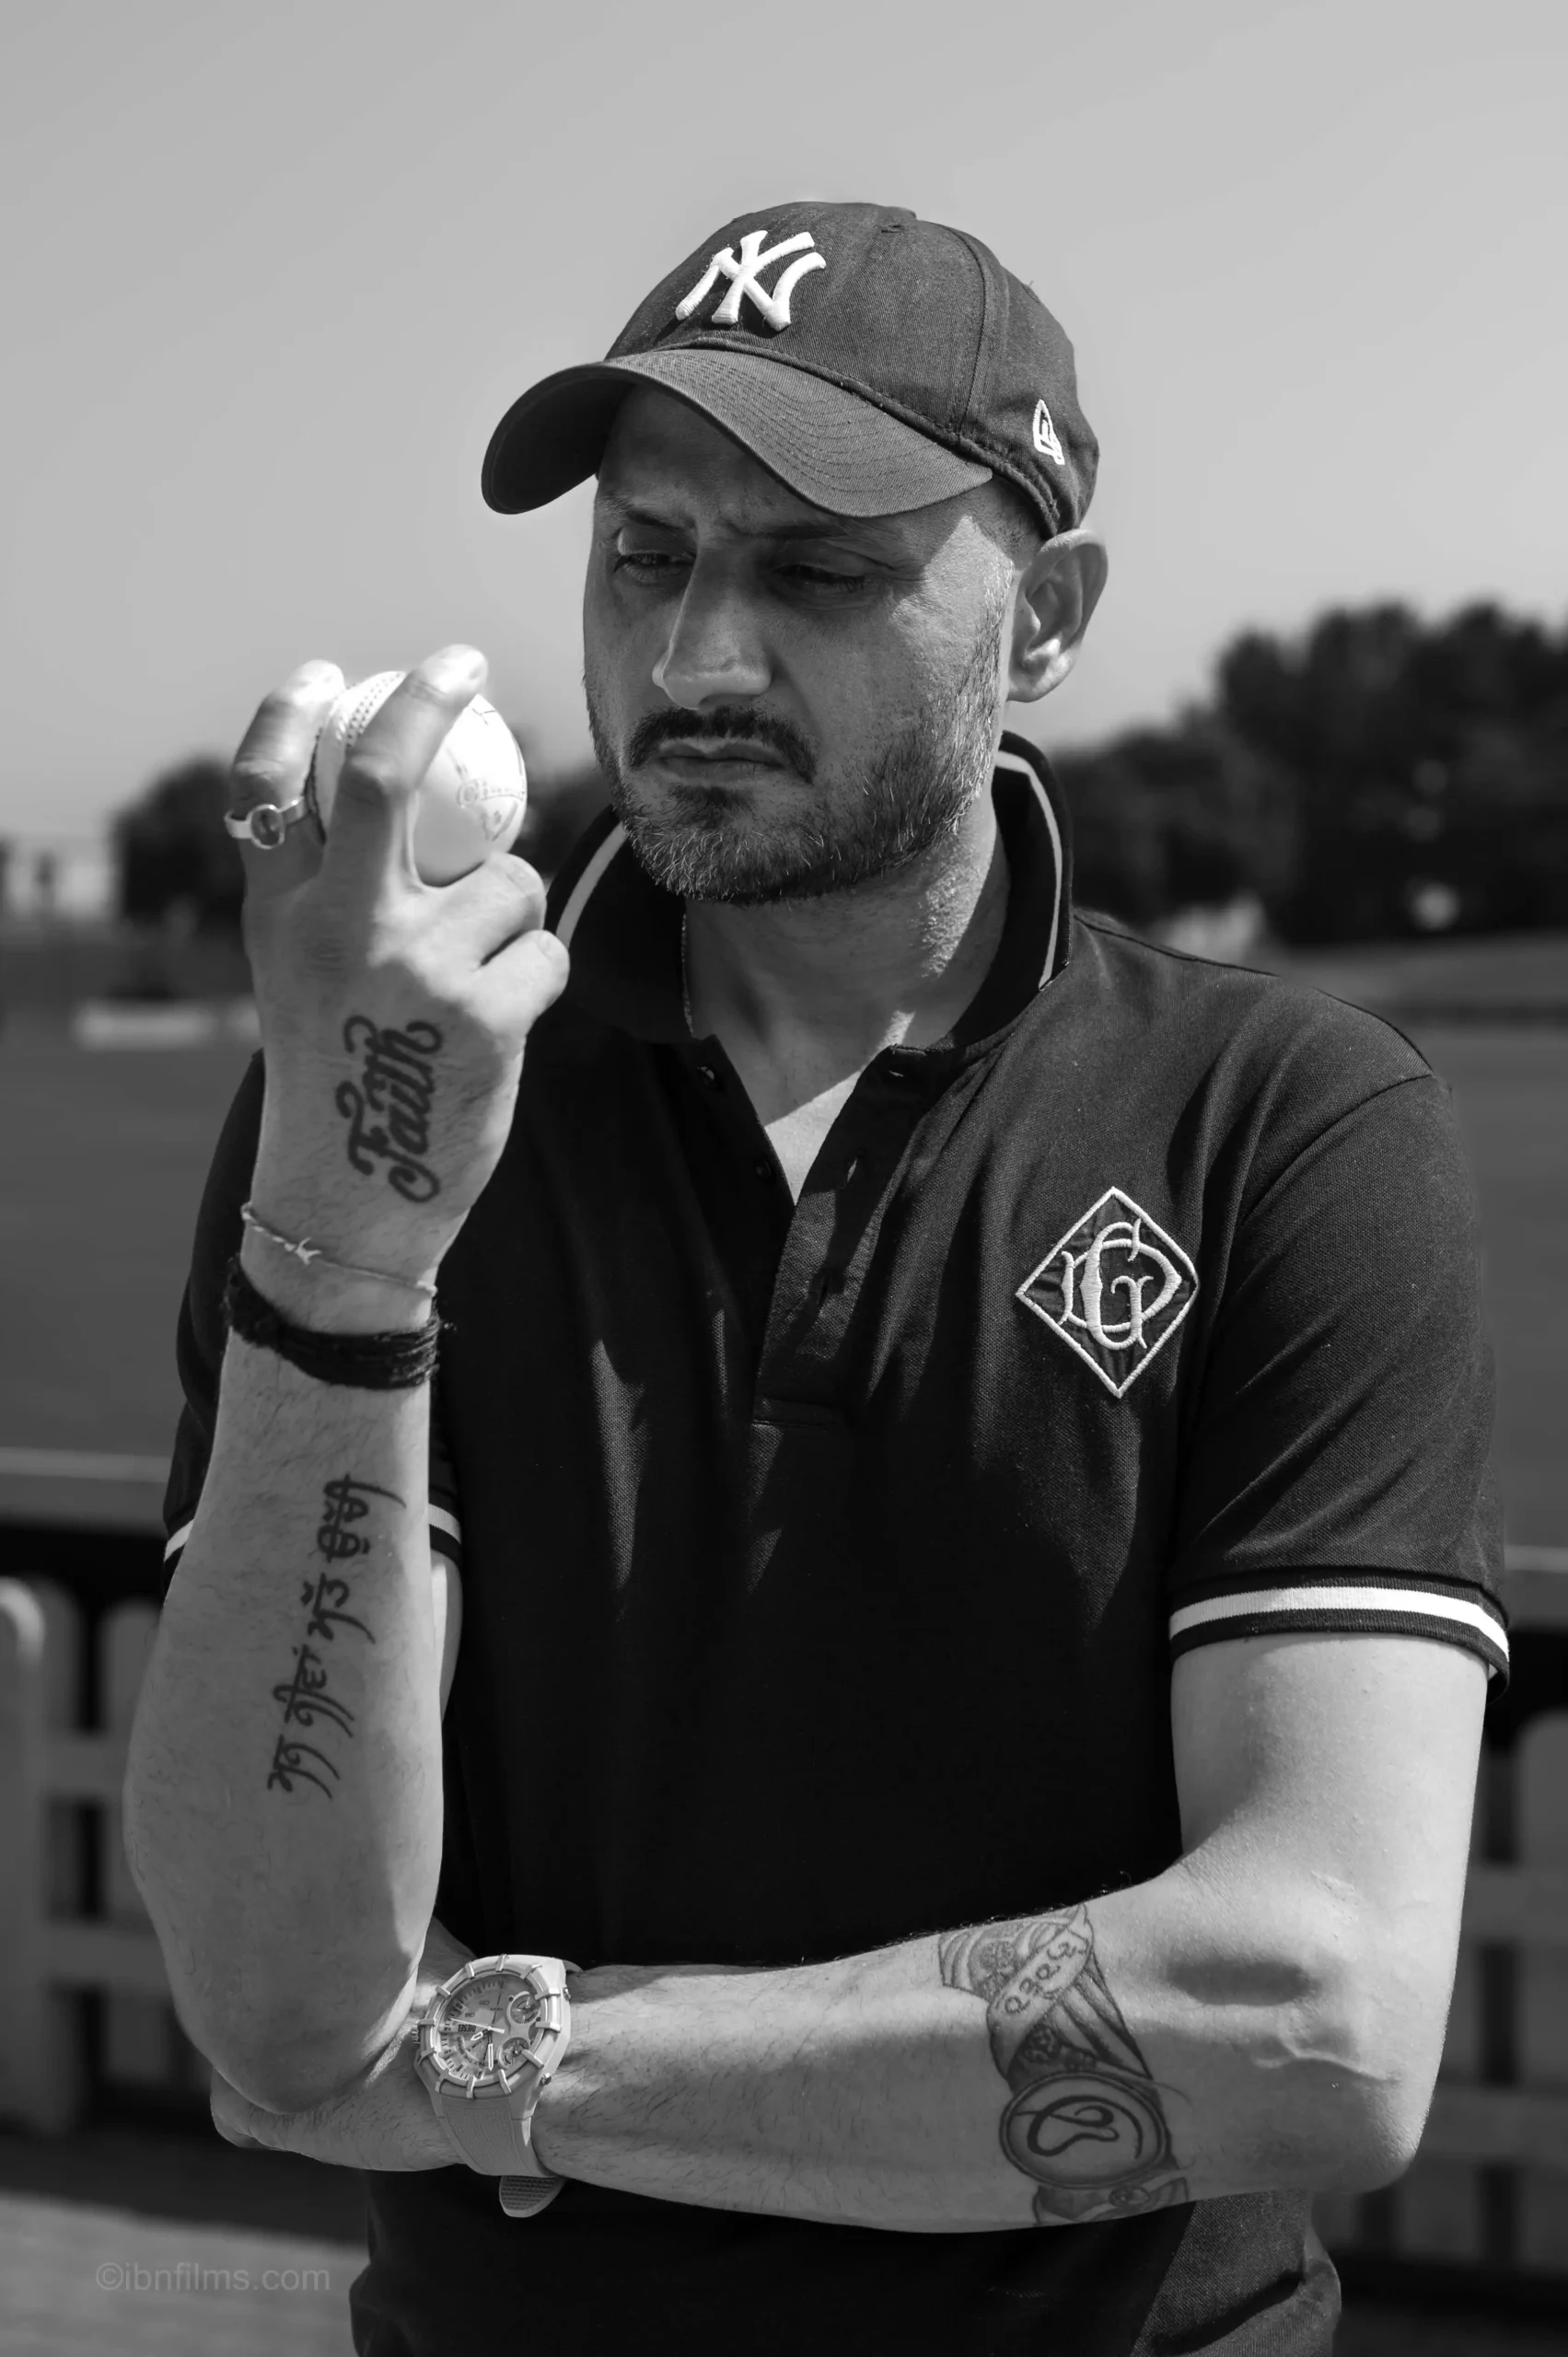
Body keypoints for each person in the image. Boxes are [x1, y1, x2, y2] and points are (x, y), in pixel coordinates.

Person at [124, 202, 1507, 2356]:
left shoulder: (1282, 1123)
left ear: (1041, 614)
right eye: (646, 555)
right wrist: (347, 1221)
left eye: (817, 569)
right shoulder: (389, 1114)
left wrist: (505, 2059)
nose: (694, 663)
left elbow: (1312, 2017)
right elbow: (280, 2000)